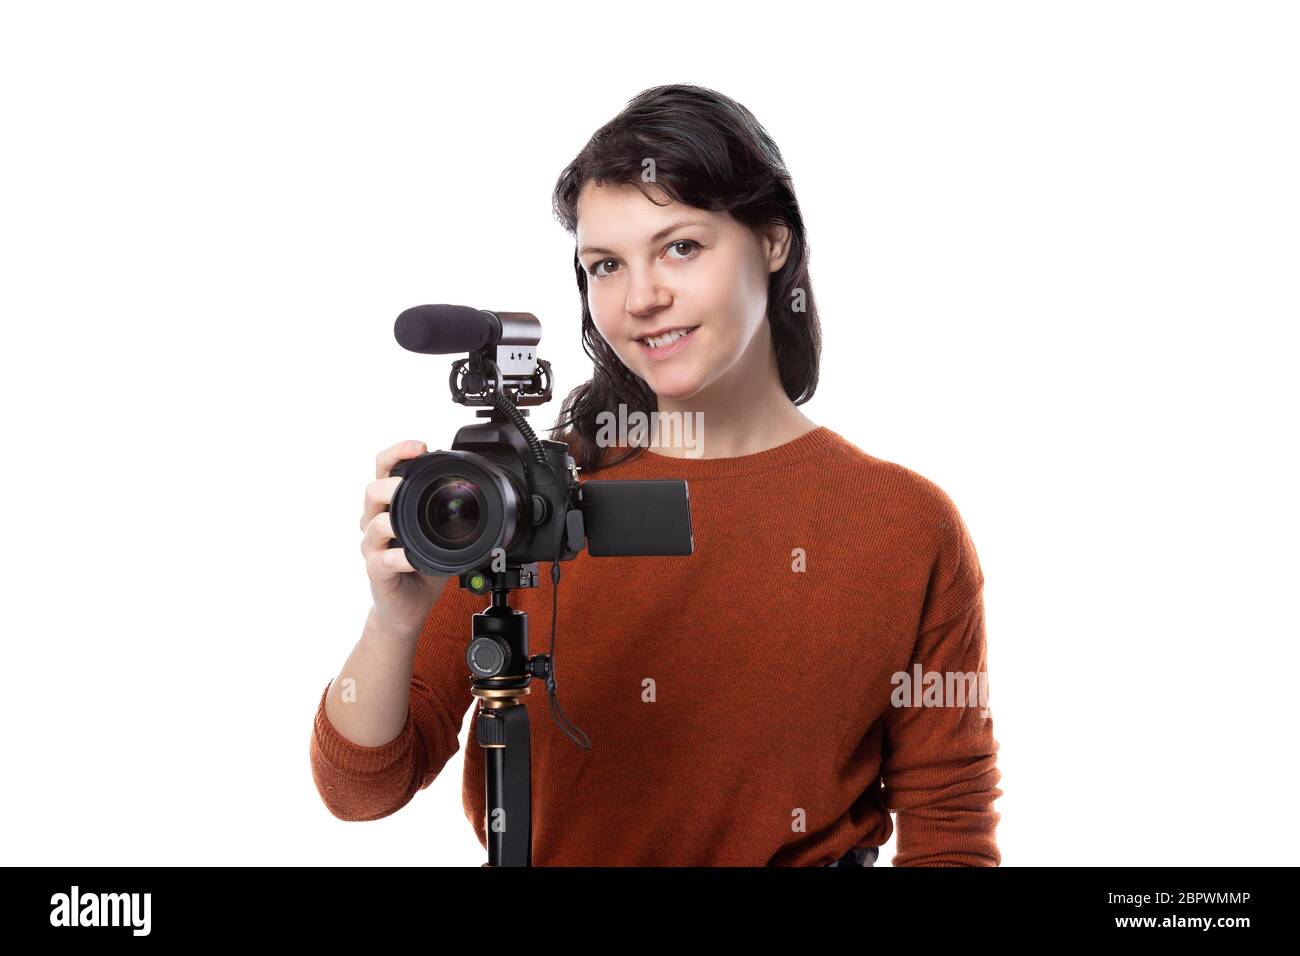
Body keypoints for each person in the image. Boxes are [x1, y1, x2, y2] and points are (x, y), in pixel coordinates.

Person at [310, 84, 1003, 866]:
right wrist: (394, 621)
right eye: (606, 265)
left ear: (773, 242)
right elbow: (362, 787)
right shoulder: (526, 500)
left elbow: (949, 821)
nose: (642, 298)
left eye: (681, 247)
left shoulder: (904, 524)